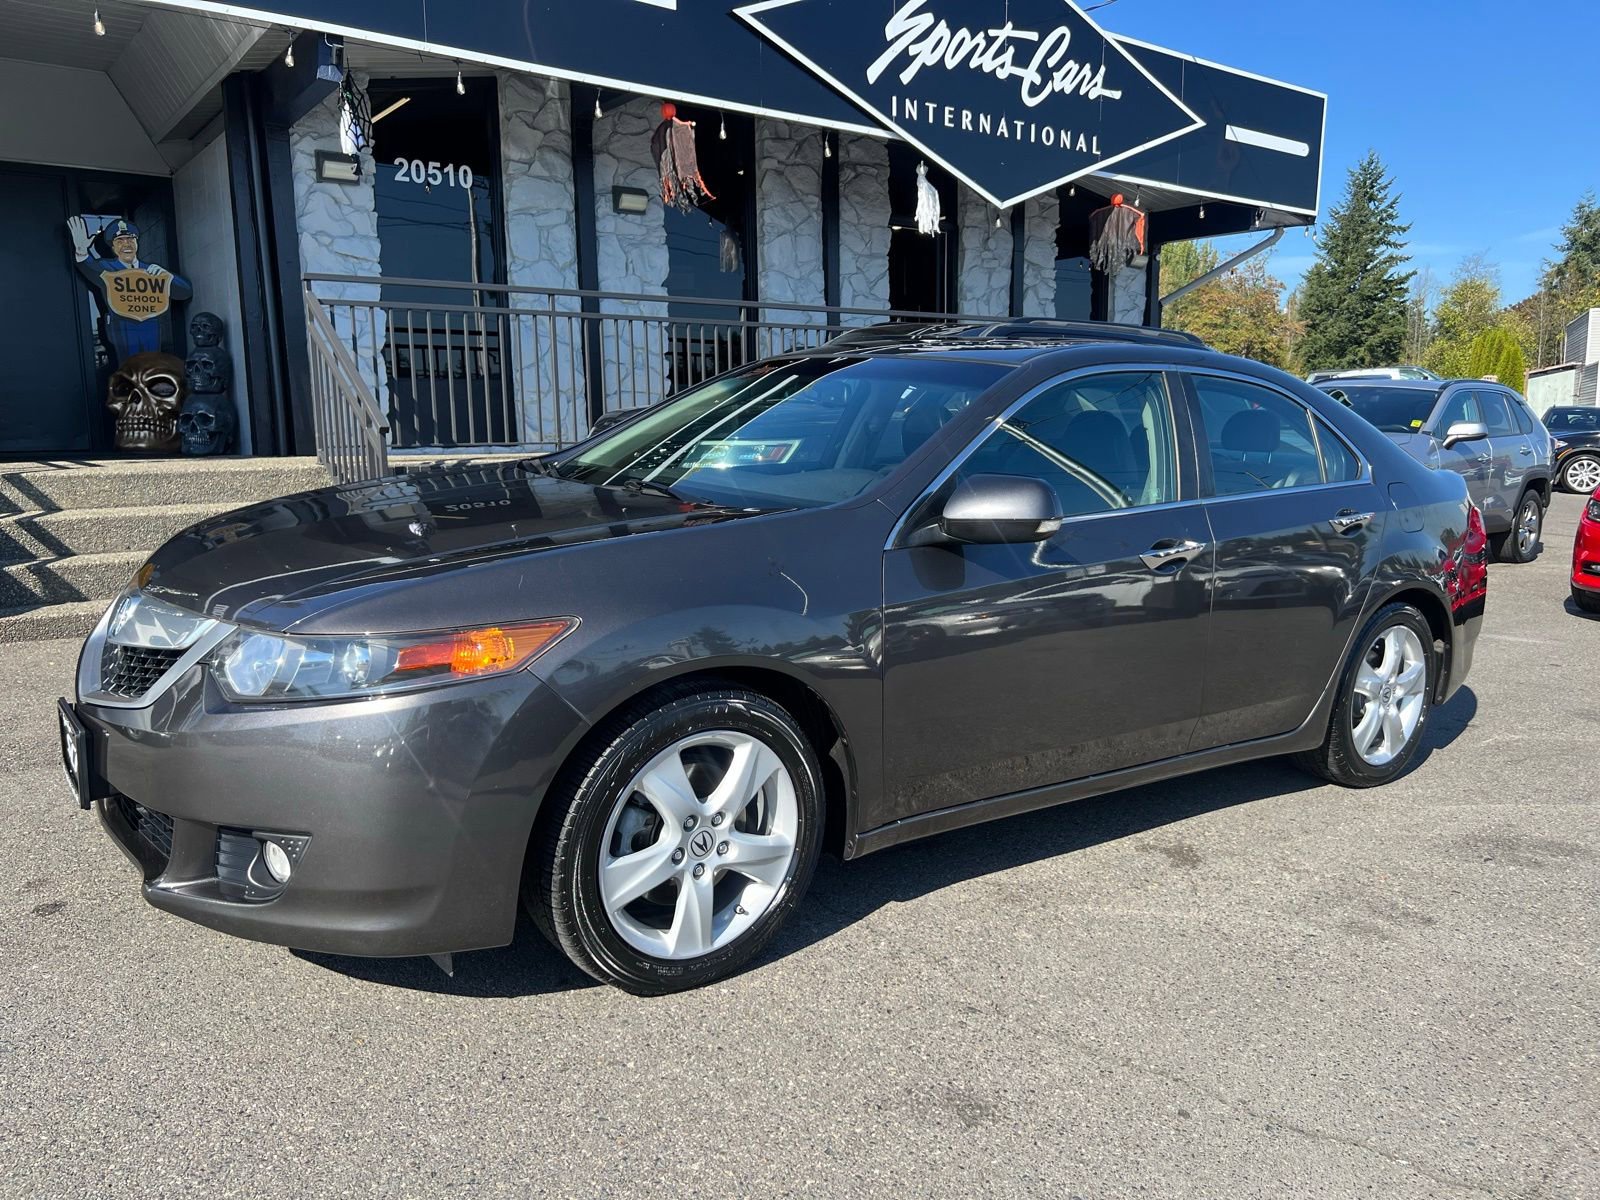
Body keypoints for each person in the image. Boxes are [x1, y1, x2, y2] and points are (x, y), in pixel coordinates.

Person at [66, 216, 192, 362]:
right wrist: (82, 251)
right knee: (129, 369)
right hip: (123, 328)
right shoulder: (107, 267)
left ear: (136, 243)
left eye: (130, 240)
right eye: (120, 241)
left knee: (151, 367)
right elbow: (89, 267)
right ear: (113, 247)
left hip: (150, 328)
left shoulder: (151, 270)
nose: (126, 244)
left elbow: (185, 291)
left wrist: (167, 276)